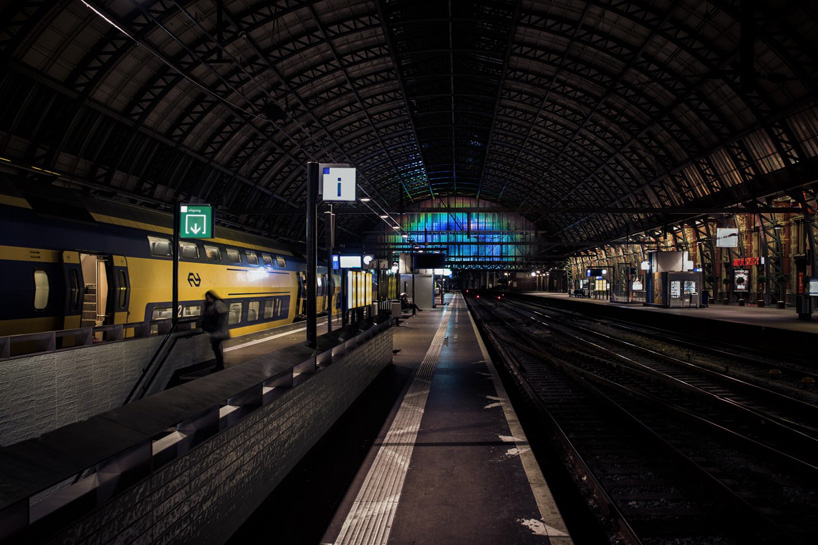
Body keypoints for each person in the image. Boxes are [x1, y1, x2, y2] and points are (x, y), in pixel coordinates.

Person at [202, 290, 229, 370]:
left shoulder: (217, 304)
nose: (208, 299)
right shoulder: (213, 304)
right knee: (215, 348)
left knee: (215, 348)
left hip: (218, 331)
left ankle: (220, 365)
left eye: (208, 297)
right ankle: (219, 365)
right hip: (216, 331)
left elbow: (222, 316)